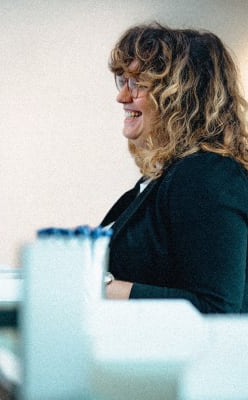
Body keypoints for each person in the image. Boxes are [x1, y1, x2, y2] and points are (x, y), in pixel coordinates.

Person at [101, 23, 248, 313]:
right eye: (124, 81)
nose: (122, 97)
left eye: (138, 83)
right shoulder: (166, 176)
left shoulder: (207, 174)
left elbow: (215, 308)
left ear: (179, 95)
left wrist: (100, 287)